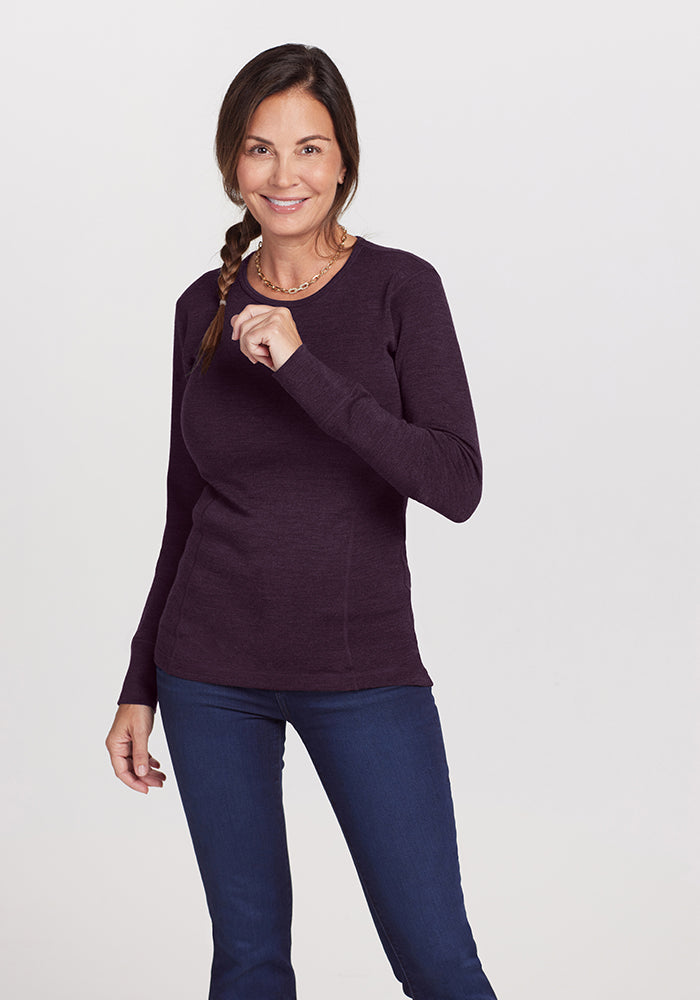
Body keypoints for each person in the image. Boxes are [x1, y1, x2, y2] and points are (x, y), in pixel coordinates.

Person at [105, 42, 499, 1000]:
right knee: (247, 963)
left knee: (438, 962)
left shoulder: (402, 288)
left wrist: (301, 368)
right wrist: (139, 682)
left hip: (361, 674)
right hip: (209, 676)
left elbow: (454, 481)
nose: (285, 175)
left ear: (344, 162)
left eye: (310, 149)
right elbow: (183, 506)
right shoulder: (202, 306)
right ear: (232, 163)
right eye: (261, 149)